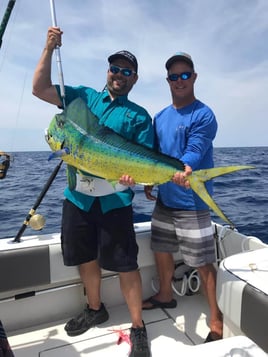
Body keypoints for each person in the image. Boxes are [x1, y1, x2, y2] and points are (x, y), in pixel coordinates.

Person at [32, 27, 154, 357]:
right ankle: (95, 308)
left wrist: (139, 181)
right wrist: (47, 48)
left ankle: (138, 326)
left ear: (134, 79)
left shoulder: (139, 116)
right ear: (108, 71)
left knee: (126, 264)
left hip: (116, 198)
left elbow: (146, 163)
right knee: (86, 258)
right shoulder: (83, 98)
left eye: (127, 71)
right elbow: (40, 88)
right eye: (115, 68)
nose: (119, 75)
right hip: (78, 197)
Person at [142, 52, 223, 342]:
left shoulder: (204, 114)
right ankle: (165, 295)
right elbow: (153, 154)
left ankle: (215, 319)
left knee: (202, 261)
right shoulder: (160, 117)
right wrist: (150, 181)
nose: (179, 81)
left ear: (194, 77)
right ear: (168, 80)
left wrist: (185, 167)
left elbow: (195, 148)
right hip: (166, 199)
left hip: (193, 202)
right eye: (174, 76)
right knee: (160, 249)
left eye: (185, 75)